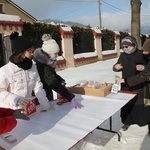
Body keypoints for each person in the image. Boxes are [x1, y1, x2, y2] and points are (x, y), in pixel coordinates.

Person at [0, 32, 50, 111]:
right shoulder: (5, 71)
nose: (32, 54)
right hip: (11, 112)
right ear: (21, 53)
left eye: (32, 51)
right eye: (29, 52)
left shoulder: (32, 66)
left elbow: (37, 86)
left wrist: (44, 103)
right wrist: (16, 100)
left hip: (29, 110)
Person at [33, 33, 83, 109]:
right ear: (48, 53)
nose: (57, 55)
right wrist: (70, 97)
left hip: (46, 94)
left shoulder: (47, 62)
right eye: (55, 53)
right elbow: (53, 83)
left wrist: (60, 80)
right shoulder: (43, 65)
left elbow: (53, 74)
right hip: (41, 99)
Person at [113, 35, 149, 131]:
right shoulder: (122, 55)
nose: (125, 48)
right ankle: (127, 122)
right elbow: (115, 66)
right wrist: (115, 67)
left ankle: (142, 121)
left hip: (138, 84)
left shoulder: (141, 54)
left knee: (139, 103)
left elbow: (148, 68)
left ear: (133, 45)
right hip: (125, 84)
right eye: (123, 47)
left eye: (127, 46)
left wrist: (142, 68)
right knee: (127, 104)